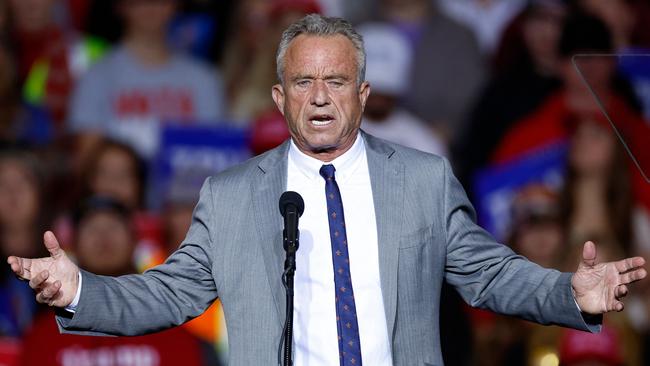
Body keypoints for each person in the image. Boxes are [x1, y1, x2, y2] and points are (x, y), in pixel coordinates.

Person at [6, 14, 648, 366]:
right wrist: (82, 289)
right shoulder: (231, 196)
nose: (320, 97)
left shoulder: (422, 180)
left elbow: (489, 275)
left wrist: (571, 293)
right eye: (304, 83)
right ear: (280, 98)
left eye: (337, 81)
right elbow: (170, 293)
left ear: (363, 96)